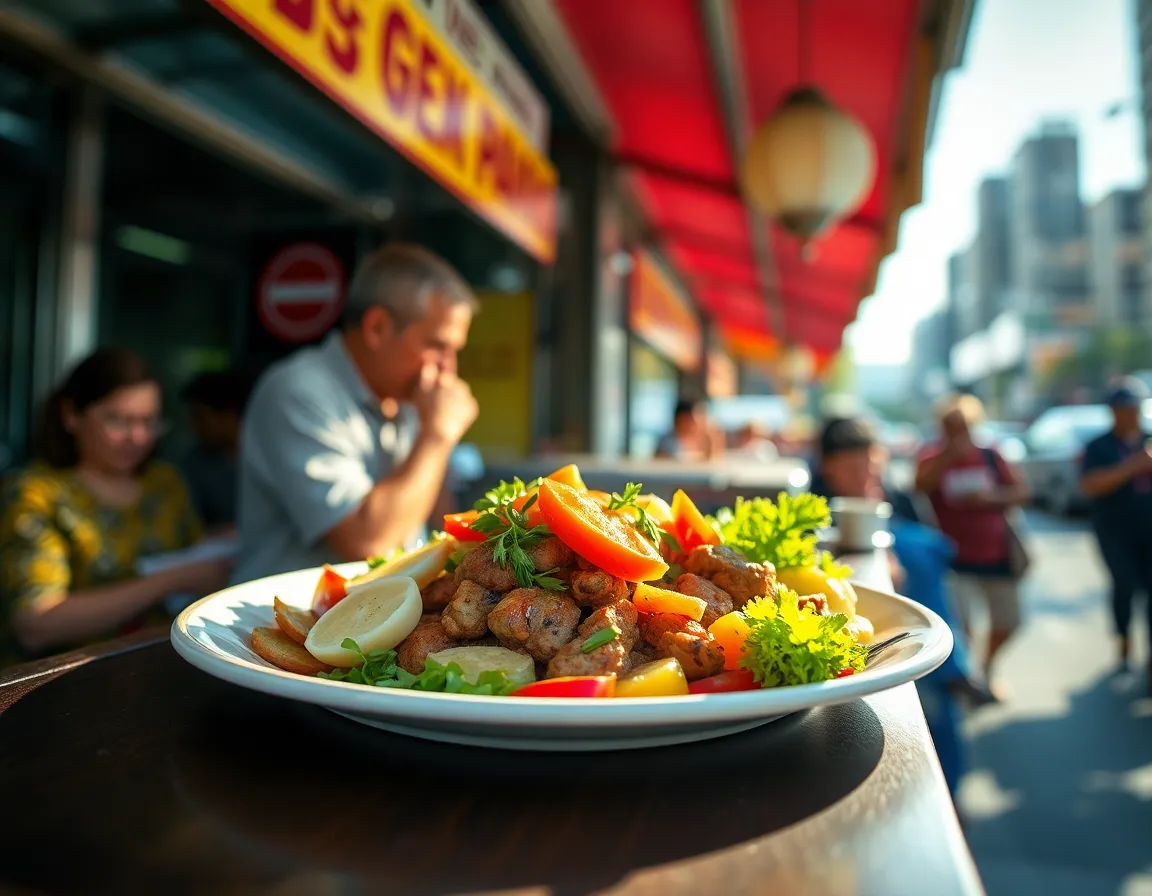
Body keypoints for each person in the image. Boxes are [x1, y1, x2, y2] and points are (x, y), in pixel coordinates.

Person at [233, 243, 479, 584]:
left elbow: (441, 524)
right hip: (288, 626)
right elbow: (369, 542)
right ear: (377, 327)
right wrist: (437, 437)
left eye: (455, 351)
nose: (448, 368)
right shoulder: (298, 391)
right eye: (438, 346)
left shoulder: (408, 398)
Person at [0, 349, 230, 664]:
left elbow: (189, 551)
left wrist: (220, 543)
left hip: (164, 666)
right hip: (61, 682)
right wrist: (172, 580)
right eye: (117, 420)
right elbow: (35, 622)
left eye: (149, 421)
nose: (137, 437)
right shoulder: (35, 493)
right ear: (70, 415)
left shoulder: (164, 483)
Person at [915, 394, 1029, 696]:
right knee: (960, 626)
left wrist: (990, 499)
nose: (958, 433)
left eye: (963, 426)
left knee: (1010, 620)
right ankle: (969, 680)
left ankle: (987, 666)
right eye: (951, 427)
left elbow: (1020, 491)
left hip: (996, 554)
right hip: (954, 558)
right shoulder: (932, 456)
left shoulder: (991, 454)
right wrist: (947, 458)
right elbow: (918, 487)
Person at [1079, 378, 1152, 689]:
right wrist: (1133, 467)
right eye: (1123, 409)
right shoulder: (1099, 447)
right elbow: (1091, 485)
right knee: (1124, 586)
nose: (1129, 414)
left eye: (1133, 408)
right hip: (1115, 531)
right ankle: (1123, 646)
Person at [180, 368, 253, 533]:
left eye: (200, 417)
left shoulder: (270, 458)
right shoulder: (194, 465)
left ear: (229, 416)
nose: (194, 427)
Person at [655, 398, 724, 461]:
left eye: (688, 421)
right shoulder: (666, 441)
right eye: (682, 421)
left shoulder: (702, 439)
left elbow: (715, 460)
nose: (686, 425)